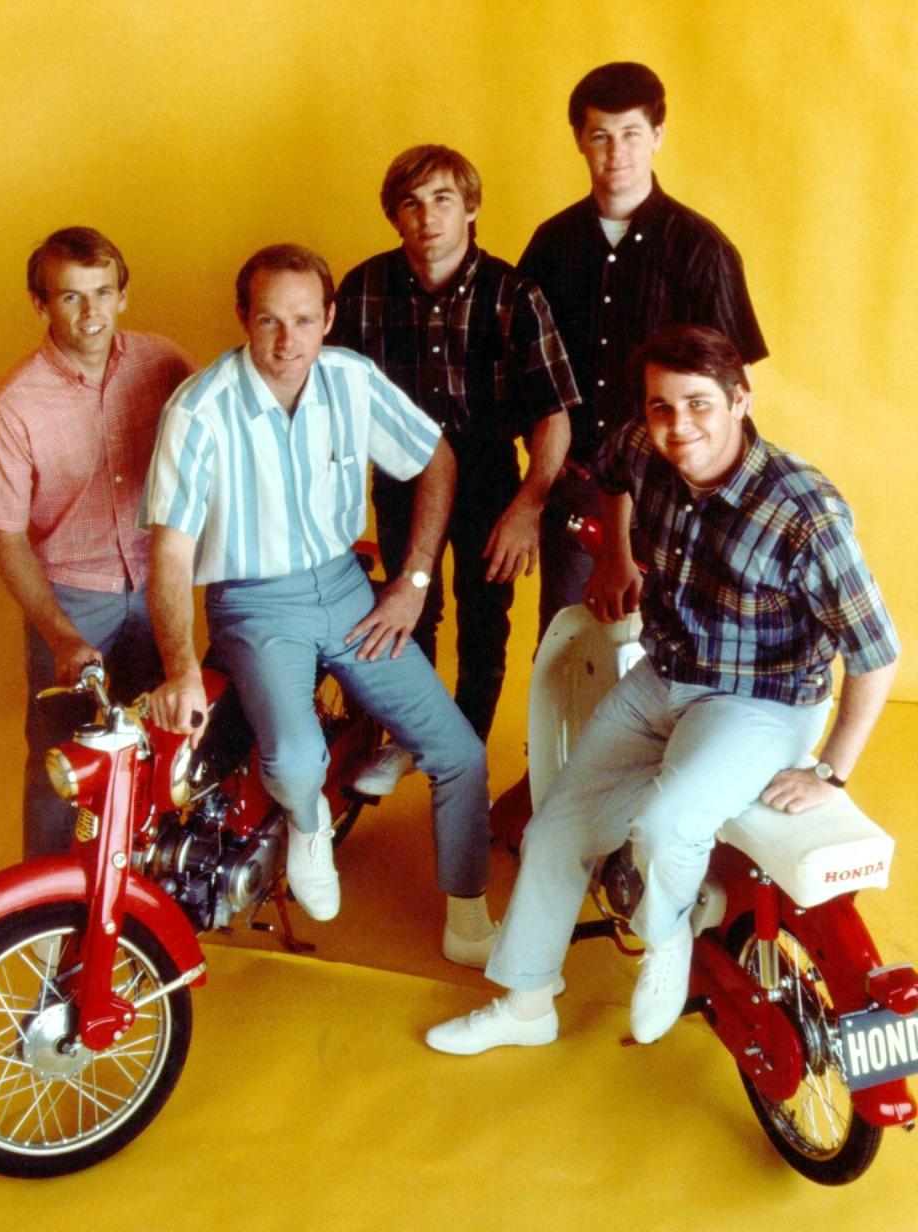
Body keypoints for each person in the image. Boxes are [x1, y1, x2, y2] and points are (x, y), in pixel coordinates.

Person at [425, 325, 899, 1054]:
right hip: (665, 674)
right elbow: (610, 472)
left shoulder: (805, 511)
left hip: (761, 702)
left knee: (665, 825)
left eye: (700, 405)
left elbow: (878, 655)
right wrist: (616, 553)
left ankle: (667, 940)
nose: (680, 428)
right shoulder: (643, 447)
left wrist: (832, 770)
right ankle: (526, 1004)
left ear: (741, 400)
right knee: (554, 827)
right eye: (661, 408)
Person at [143, 243, 497, 965]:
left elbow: (437, 458)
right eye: (269, 320)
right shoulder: (200, 410)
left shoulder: (350, 379)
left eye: (305, 320)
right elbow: (171, 556)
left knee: (459, 751)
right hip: (255, 605)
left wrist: (415, 578)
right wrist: (180, 667)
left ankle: (469, 907)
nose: (287, 342)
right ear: (243, 317)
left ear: (329, 317)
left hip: (345, 588)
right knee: (297, 760)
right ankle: (308, 827)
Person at [493, 61, 769, 839]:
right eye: (599, 137)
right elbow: (526, 372)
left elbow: (729, 393)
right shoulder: (551, 245)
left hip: (675, 492)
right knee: (568, 639)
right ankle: (553, 786)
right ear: (579, 141)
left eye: (631, 136)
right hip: (578, 481)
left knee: (674, 642)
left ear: (658, 136)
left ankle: (664, 798)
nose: (615, 153)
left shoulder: (701, 249)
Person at [332, 145, 577, 796]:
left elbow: (553, 414)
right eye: (410, 203)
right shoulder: (363, 290)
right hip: (398, 478)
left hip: (493, 477)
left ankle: (462, 752)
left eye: (442, 199)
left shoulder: (514, 295)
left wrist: (528, 505)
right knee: (410, 608)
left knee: (483, 620)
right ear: (394, 217)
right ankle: (410, 739)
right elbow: (328, 398)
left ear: (470, 207)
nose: (427, 217)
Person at [0, 226, 194, 858]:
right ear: (41, 305)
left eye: (103, 292)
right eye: (71, 297)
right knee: (59, 765)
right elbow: (6, 538)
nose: (91, 312)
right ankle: (41, 916)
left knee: (160, 748)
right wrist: (61, 634)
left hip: (159, 588)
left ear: (123, 294)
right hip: (72, 599)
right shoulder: (12, 405)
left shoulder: (164, 362)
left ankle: (147, 898)